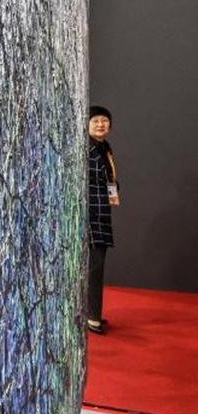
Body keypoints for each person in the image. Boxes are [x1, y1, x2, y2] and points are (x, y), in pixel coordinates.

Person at [86, 105, 118, 333]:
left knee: (96, 266)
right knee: (93, 266)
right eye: (96, 120)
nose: (100, 124)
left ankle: (92, 313)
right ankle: (91, 317)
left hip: (101, 213)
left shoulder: (104, 147)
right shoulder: (84, 149)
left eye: (104, 121)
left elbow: (109, 180)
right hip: (87, 215)